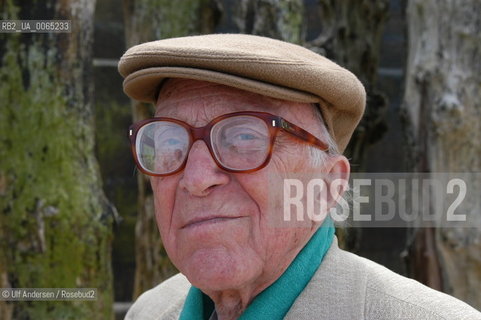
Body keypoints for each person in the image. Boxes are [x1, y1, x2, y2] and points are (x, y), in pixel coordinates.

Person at [118, 34, 481, 320]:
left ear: (327, 186)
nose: (195, 179)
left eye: (245, 138)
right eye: (168, 141)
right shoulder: (150, 311)